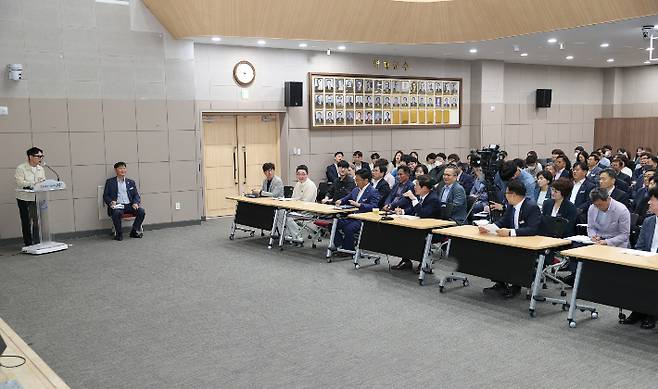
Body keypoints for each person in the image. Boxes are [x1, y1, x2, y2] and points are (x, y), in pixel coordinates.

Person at [479, 179, 541, 298]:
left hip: (527, 243)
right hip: (513, 241)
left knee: (509, 256)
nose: (505, 196)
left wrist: (510, 232)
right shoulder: (512, 206)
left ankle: (516, 286)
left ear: (513, 195)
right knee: (491, 251)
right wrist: (489, 228)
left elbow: (532, 229)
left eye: (506, 194)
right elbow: (503, 221)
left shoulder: (531, 207)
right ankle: (501, 283)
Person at [624, 186, 658, 329]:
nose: (649, 203)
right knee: (634, 273)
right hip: (647, 261)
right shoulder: (649, 221)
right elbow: (640, 246)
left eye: (652, 200)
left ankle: (652, 313)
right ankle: (638, 310)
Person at [393, 174, 441, 271]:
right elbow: (414, 209)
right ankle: (406, 261)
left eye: (417, 185)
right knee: (400, 232)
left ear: (425, 188)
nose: (414, 187)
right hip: (419, 226)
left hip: (431, 229)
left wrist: (413, 199)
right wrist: (402, 211)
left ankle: (423, 262)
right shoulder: (422, 196)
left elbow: (423, 213)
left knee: (410, 235)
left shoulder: (433, 199)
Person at [332, 169, 381, 256]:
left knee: (348, 228)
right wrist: (340, 201)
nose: (356, 182)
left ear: (365, 180)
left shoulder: (373, 192)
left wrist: (359, 205)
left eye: (358, 180)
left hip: (363, 219)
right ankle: (341, 245)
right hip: (352, 216)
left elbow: (374, 207)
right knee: (333, 224)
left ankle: (348, 250)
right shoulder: (356, 190)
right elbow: (346, 198)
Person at [103, 162, 146, 241]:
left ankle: (134, 231)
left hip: (129, 205)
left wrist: (135, 203)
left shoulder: (131, 182)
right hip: (118, 206)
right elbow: (106, 196)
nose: (123, 170)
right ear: (116, 170)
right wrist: (111, 202)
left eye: (124, 168)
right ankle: (119, 234)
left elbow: (136, 195)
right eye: (120, 168)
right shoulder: (110, 182)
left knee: (141, 211)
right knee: (116, 213)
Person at [15, 147, 46, 247]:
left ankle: (37, 242)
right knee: (27, 221)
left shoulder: (41, 168)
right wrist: (33, 184)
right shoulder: (21, 168)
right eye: (38, 156)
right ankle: (28, 243)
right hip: (24, 198)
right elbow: (20, 182)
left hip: (37, 197)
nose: (41, 158)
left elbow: (43, 181)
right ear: (30, 157)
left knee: (37, 220)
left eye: (42, 156)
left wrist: (40, 184)